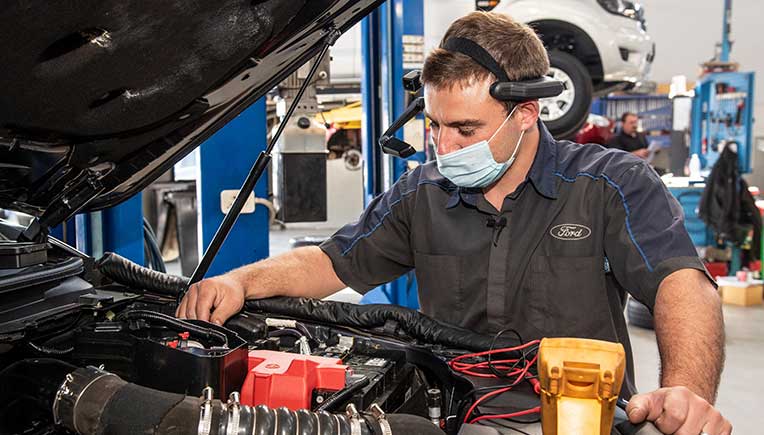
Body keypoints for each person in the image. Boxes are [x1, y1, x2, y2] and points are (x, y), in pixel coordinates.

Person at [178, 12, 730, 435]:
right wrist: (240, 282)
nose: (443, 148)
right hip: (451, 415)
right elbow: (329, 262)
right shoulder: (421, 194)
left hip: (579, 418)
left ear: (525, 113)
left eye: (465, 130)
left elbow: (682, 284)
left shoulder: (610, 183)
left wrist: (685, 391)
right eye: (435, 126)